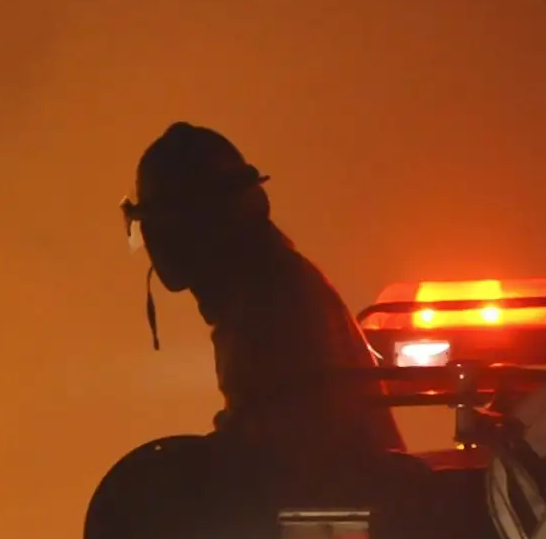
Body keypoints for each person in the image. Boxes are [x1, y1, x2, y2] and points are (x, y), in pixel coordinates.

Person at [124, 122, 400, 497]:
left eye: (161, 228)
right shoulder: (266, 285)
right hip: (343, 519)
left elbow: (278, 447)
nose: (157, 246)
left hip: (333, 526)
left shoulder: (269, 300)